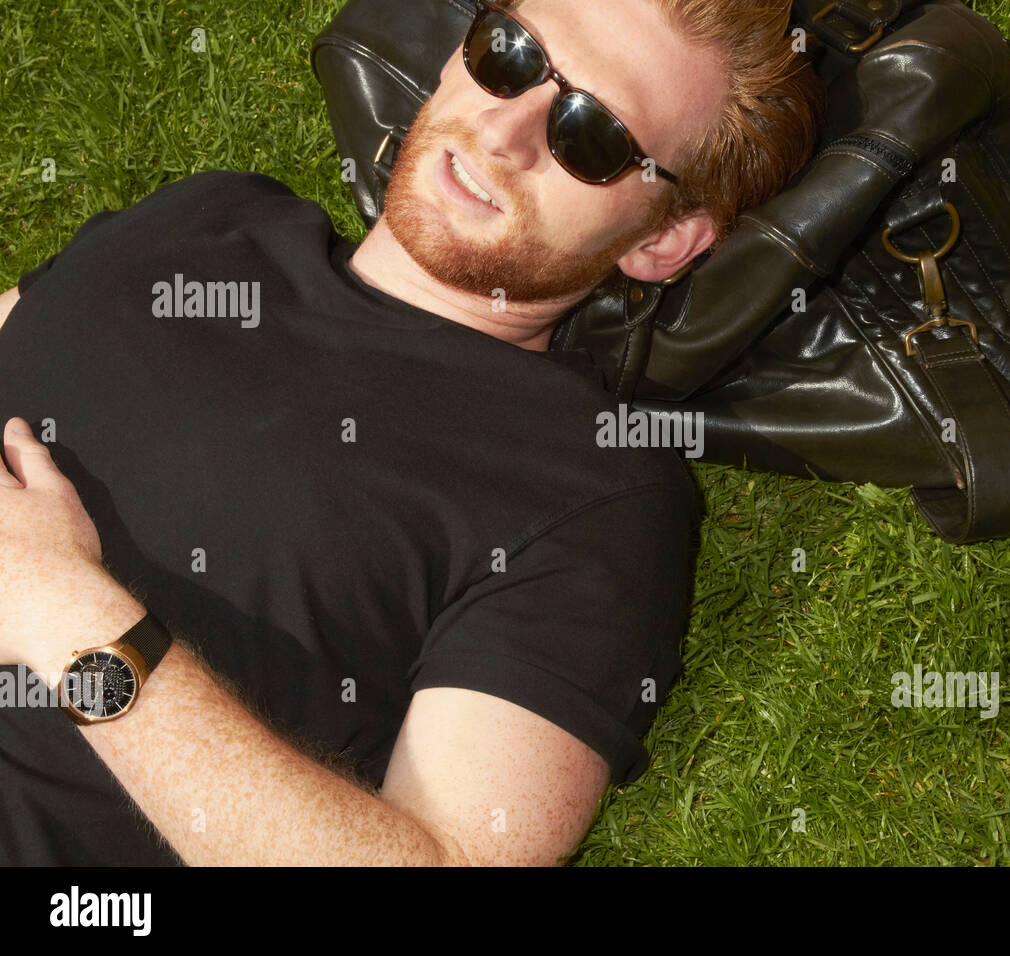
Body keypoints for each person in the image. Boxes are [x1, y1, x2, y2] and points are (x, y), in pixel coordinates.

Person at [0, 0, 824, 865]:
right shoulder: (208, 215)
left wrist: (67, 617)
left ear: (662, 242)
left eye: (592, 136)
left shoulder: (589, 489)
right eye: (511, 55)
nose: (507, 131)